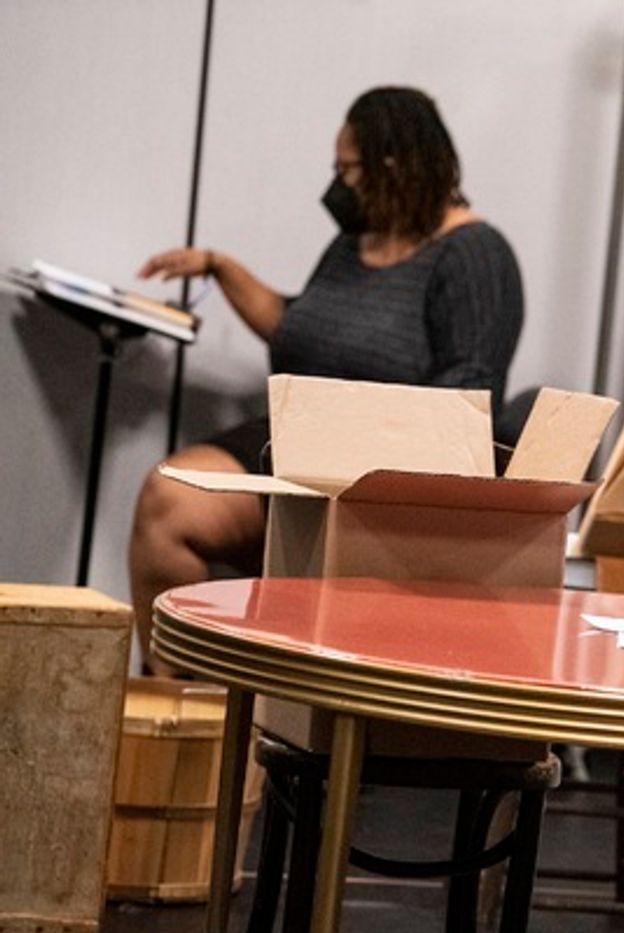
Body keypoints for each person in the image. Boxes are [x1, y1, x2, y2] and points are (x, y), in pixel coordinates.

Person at [129, 86, 524, 675]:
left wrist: (363, 454)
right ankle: (182, 705)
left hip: (376, 474)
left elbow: (468, 403)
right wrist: (219, 265)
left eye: (347, 171)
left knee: (184, 508)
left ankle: (229, 710)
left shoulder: (473, 255)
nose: (337, 187)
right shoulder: (351, 245)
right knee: (167, 501)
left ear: (393, 167)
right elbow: (295, 325)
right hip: (299, 440)